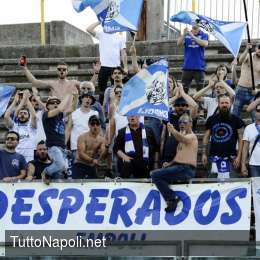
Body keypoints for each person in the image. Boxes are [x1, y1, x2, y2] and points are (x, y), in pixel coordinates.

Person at [151, 113, 198, 213]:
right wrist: (169, 164)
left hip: (186, 169)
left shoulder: (192, 136)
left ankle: (172, 198)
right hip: (180, 168)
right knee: (158, 175)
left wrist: (172, 130)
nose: (182, 124)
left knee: (155, 175)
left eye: (184, 122)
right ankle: (172, 199)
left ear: (191, 124)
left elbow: (183, 138)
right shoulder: (181, 140)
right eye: (180, 122)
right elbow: (179, 156)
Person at [202, 95, 245, 178]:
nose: (224, 105)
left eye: (226, 103)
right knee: (212, 184)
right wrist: (204, 154)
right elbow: (206, 137)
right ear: (218, 104)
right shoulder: (211, 119)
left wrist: (239, 157)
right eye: (222, 103)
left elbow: (241, 140)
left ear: (231, 103)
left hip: (231, 158)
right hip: (214, 158)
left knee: (231, 185)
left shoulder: (237, 120)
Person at [41, 94, 77, 184]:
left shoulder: (59, 116)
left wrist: (75, 96)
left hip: (62, 148)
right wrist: (68, 95)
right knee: (60, 165)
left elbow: (73, 109)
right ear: (48, 106)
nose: (55, 104)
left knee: (63, 167)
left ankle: (49, 177)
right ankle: (46, 172)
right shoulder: (46, 114)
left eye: (57, 102)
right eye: (52, 103)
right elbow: (60, 108)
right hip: (53, 146)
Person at [86, 22, 127, 99]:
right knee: (102, 91)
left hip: (116, 67)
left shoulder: (120, 37)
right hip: (103, 67)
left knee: (117, 90)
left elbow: (123, 53)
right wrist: (99, 21)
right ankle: (103, 108)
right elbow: (88, 29)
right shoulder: (101, 34)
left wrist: (126, 67)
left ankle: (116, 108)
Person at [161, 84, 198, 163]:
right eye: (177, 105)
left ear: (187, 106)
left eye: (183, 105)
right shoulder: (169, 116)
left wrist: (183, 93)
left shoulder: (189, 117)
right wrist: (176, 97)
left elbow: (195, 106)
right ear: (174, 106)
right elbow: (161, 107)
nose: (180, 107)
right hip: (168, 156)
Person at [4, 90, 37, 162]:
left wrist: (27, 99)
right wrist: (15, 101)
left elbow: (34, 116)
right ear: (17, 116)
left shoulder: (32, 127)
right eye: (20, 113)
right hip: (15, 160)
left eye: (25, 113)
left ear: (29, 117)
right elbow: (6, 116)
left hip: (30, 161)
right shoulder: (13, 126)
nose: (22, 114)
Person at [177, 25, 209, 92]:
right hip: (187, 67)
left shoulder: (204, 34)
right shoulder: (186, 34)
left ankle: (199, 103)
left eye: (196, 23)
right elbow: (178, 44)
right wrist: (183, 34)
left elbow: (205, 44)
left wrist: (192, 36)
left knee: (200, 90)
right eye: (193, 23)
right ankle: (184, 102)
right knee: (183, 89)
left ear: (199, 24)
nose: (194, 24)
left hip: (199, 67)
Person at [65, 93, 98, 158]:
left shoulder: (95, 113)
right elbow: (68, 129)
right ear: (81, 99)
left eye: (90, 98)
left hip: (91, 147)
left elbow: (97, 130)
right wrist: (64, 144)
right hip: (76, 147)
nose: (88, 99)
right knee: (77, 167)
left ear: (92, 101)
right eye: (86, 97)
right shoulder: (73, 113)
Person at [232, 43, 260, 117]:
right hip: (241, 89)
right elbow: (240, 60)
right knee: (235, 114)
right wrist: (247, 49)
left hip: (253, 92)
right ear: (256, 48)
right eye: (259, 48)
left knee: (255, 116)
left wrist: (257, 89)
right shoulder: (248, 55)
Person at [241, 104, 260, 177]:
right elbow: (245, 148)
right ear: (255, 112)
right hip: (253, 164)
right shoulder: (248, 128)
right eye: (258, 111)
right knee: (256, 188)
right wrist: (243, 165)